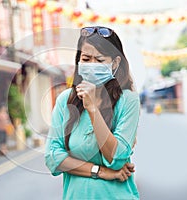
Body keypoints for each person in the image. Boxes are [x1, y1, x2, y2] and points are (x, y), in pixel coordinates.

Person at [45, 26, 140, 200]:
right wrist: (101, 171)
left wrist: (92, 108)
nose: (91, 66)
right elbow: (53, 157)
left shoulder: (127, 100)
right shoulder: (65, 100)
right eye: (86, 59)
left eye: (100, 60)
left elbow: (116, 157)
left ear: (115, 63)